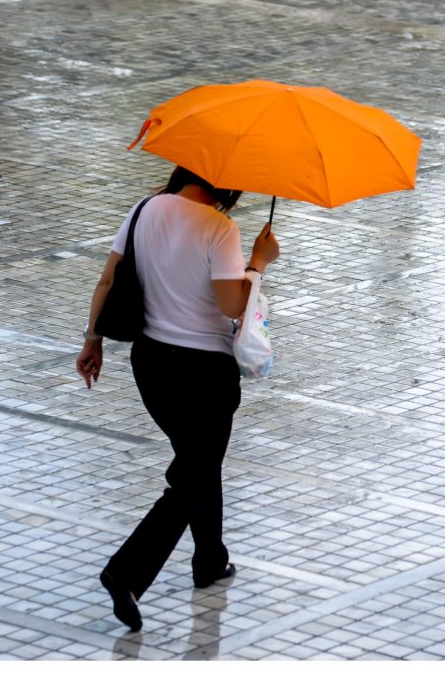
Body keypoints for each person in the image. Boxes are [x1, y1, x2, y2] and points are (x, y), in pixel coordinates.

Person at [76, 166, 280, 632]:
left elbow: (107, 281)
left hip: (151, 366)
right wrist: (260, 262)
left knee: (198, 464)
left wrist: (91, 341)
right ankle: (125, 573)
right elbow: (232, 305)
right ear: (228, 183)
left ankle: (210, 561)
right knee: (193, 473)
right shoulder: (219, 227)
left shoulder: (142, 210)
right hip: (205, 373)